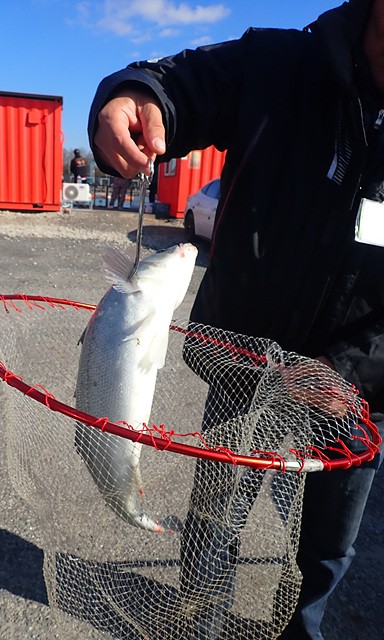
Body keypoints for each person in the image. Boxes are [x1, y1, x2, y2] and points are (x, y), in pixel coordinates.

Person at [87, 0, 384, 638]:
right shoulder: (277, 63)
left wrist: (354, 369)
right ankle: (201, 619)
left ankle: (302, 630)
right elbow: (179, 85)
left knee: (326, 548)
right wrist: (135, 96)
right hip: (245, 363)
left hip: (355, 394)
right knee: (213, 522)